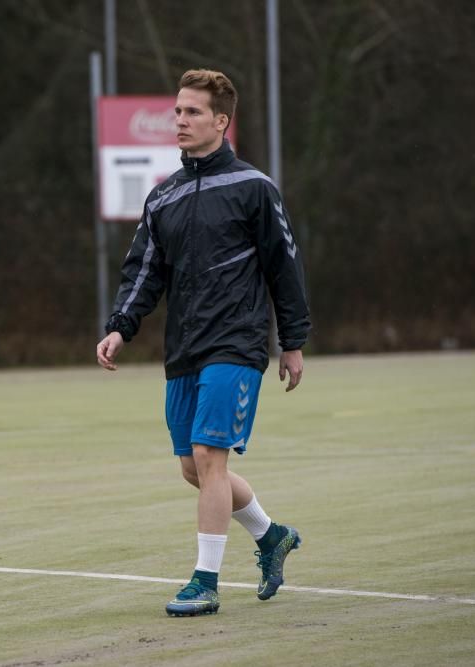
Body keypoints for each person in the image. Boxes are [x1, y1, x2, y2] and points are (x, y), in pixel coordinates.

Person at [96, 69, 310, 617]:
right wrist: (121, 325)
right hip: (183, 347)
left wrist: (292, 340)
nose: (180, 121)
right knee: (193, 468)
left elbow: (283, 266)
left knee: (210, 458)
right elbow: (143, 271)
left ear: (222, 120)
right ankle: (271, 536)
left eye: (192, 112)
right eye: (177, 111)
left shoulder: (254, 187)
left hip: (236, 343)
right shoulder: (162, 196)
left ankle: (205, 582)